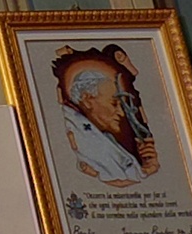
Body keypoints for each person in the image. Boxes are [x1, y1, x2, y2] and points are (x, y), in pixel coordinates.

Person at [51, 44, 161, 182]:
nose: (121, 113)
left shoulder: (104, 135)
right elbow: (111, 180)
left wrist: (147, 168)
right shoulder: (80, 135)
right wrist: (143, 173)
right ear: (87, 99)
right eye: (114, 103)